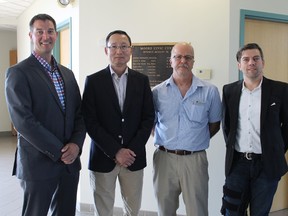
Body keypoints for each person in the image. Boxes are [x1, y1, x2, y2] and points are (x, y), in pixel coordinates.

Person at [5, 14, 86, 216]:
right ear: (31, 35)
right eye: (39, 31)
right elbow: (23, 121)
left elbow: (79, 114)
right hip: (38, 163)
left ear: (56, 35)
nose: (45, 36)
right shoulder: (18, 72)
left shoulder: (67, 74)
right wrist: (60, 151)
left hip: (69, 164)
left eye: (50, 31)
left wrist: (75, 145)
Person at [81, 30, 155, 216]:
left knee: (133, 209)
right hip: (103, 157)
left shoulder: (142, 81)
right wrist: (116, 151)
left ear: (130, 51)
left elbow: (148, 119)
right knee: (103, 210)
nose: (118, 51)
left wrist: (130, 151)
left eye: (123, 46)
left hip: (133, 157)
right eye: (113, 46)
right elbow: (90, 121)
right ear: (106, 51)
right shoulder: (93, 81)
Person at [152, 42, 222, 216]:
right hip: (164, 159)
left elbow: (214, 124)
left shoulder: (210, 91)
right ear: (171, 61)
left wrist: (193, 140)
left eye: (188, 57)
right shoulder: (157, 92)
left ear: (193, 61)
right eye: (178, 57)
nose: (183, 60)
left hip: (194, 160)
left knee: (197, 210)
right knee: (165, 209)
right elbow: (151, 124)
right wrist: (167, 141)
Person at [221, 43, 288, 215]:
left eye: (256, 58)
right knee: (232, 211)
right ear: (239, 65)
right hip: (237, 164)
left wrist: (276, 150)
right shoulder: (229, 91)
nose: (251, 62)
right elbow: (227, 126)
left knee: (260, 212)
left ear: (262, 63)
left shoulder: (280, 90)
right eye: (246, 59)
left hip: (267, 165)